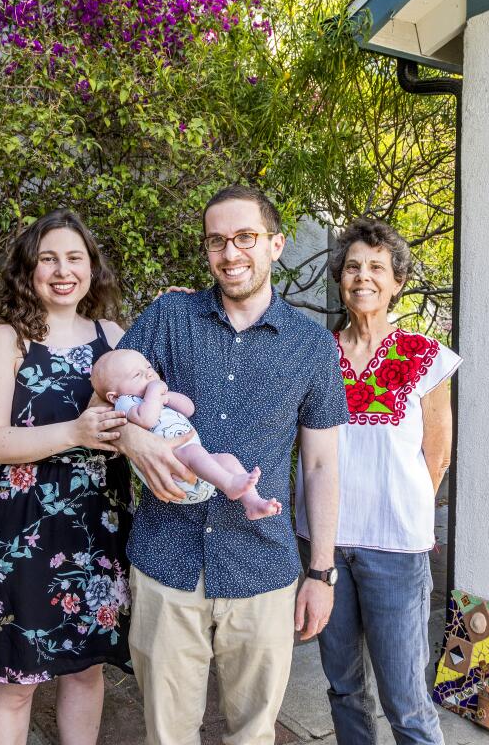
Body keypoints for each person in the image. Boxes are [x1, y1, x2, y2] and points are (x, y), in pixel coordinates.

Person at [113, 185, 349, 745]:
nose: (230, 253)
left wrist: (320, 572)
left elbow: (320, 466)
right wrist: (131, 440)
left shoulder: (312, 346)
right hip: (167, 560)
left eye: (245, 237)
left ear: (276, 244)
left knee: (253, 733)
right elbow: (108, 395)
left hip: (262, 567)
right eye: (217, 241)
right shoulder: (169, 316)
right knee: (167, 734)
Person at [0, 211, 134, 745]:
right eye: (48, 258)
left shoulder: (114, 336)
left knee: (86, 669)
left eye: (74, 258)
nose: (62, 270)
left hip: (99, 530)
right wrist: (77, 432)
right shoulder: (5, 341)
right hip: (25, 534)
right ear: (28, 269)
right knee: (15, 680)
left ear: (91, 268)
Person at [296, 217, 460, 745]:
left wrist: (403, 509)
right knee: (344, 689)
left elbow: (437, 452)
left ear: (396, 281)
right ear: (340, 279)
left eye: (376, 267)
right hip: (326, 547)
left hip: (395, 549)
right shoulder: (317, 354)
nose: (362, 277)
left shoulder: (424, 355)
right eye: (351, 267)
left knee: (406, 701)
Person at [90, 348, 282, 520]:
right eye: (137, 375)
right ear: (113, 396)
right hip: (169, 469)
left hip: (193, 468)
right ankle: (229, 483)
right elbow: (146, 419)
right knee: (193, 451)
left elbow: (189, 408)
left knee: (227, 460)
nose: (149, 374)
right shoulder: (126, 402)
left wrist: (166, 396)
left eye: (148, 367)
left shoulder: (155, 397)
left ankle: (253, 503)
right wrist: (155, 393)